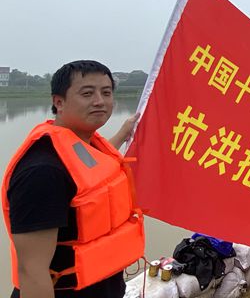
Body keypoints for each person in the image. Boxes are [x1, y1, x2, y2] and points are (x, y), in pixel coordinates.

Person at [2, 60, 144, 298]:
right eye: (87, 93)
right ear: (59, 102)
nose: (99, 101)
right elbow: (32, 273)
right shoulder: (42, 173)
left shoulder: (82, 144)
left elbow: (92, 171)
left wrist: (123, 133)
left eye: (106, 92)